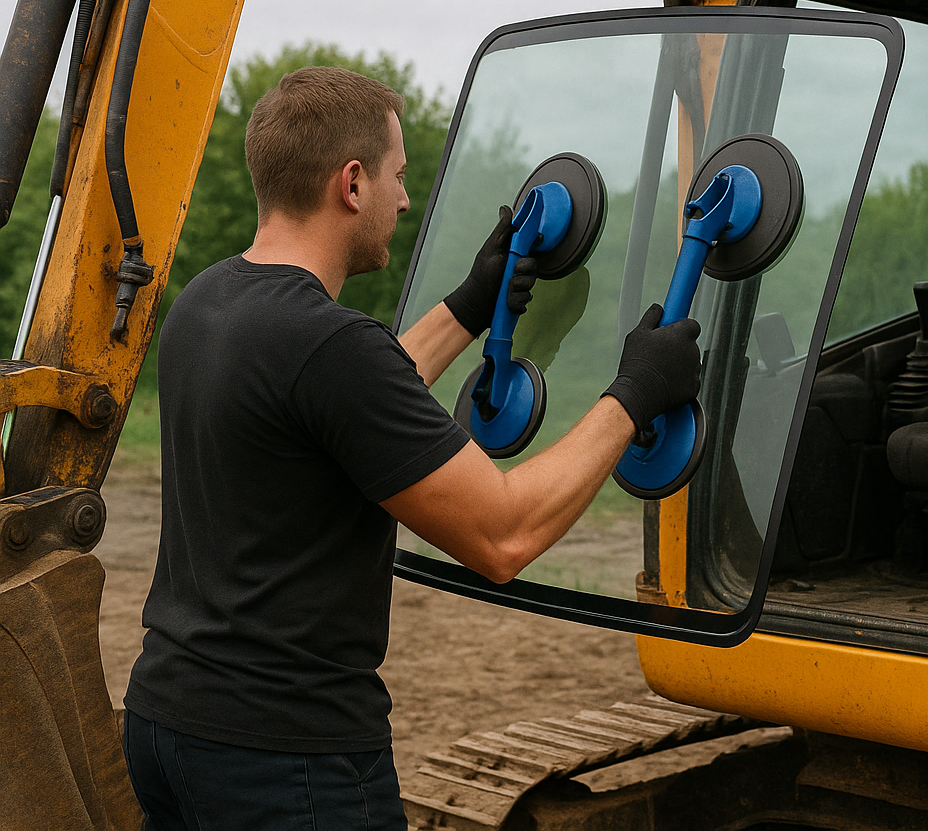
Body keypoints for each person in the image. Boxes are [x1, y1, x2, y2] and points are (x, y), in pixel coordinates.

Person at [120, 66, 700, 830]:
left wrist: (467, 304)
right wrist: (634, 392)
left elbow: (340, 406)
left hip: (168, 724)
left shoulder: (208, 301)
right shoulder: (330, 345)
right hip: (285, 760)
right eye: (396, 176)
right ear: (351, 184)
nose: (403, 198)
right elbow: (503, 534)